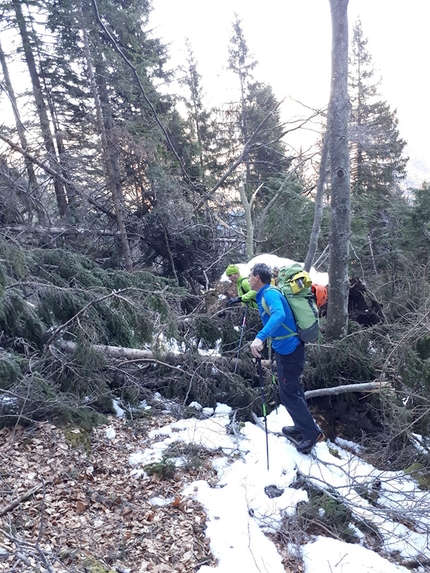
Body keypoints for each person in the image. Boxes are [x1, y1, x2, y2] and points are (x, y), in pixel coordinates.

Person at [248, 262, 322, 453]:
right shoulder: (267, 293)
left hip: (289, 348)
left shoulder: (270, 293)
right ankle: (301, 426)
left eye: (250, 277)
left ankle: (310, 433)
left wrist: (260, 337)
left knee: (288, 393)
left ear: (257, 278)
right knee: (293, 389)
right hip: (287, 347)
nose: (248, 280)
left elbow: (279, 315)